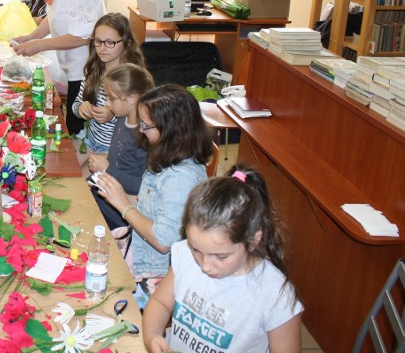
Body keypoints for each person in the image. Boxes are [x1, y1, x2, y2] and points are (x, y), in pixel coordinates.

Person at [142, 165, 303, 352]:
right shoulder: (185, 255)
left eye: (221, 256)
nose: (205, 266)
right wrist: (152, 335)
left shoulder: (275, 295)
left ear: (252, 242)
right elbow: (160, 303)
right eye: (196, 249)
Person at [93, 84, 211, 280]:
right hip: (141, 254)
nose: (141, 129)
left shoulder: (180, 178)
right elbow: (152, 206)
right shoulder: (167, 157)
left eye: (146, 125)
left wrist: (123, 206)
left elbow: (163, 242)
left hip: (156, 272)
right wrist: (119, 197)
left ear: (171, 130)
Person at [11, 0, 106, 135]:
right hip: (75, 66)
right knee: (72, 118)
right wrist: (32, 36)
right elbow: (56, 14)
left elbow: (81, 36)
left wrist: (40, 45)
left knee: (76, 126)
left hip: (86, 67)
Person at [87, 63, 154, 231]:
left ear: (132, 98)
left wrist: (108, 169)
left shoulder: (144, 137)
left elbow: (143, 187)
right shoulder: (120, 118)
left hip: (123, 208)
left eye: (112, 98)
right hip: (109, 189)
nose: (108, 104)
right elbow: (117, 160)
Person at [73, 13, 146, 156]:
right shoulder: (93, 71)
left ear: (127, 43)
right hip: (90, 141)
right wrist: (81, 108)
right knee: (67, 170)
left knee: (82, 178)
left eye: (110, 42)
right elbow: (76, 104)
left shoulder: (131, 78)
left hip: (116, 148)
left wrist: (112, 114)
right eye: (98, 41)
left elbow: (141, 120)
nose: (102, 48)